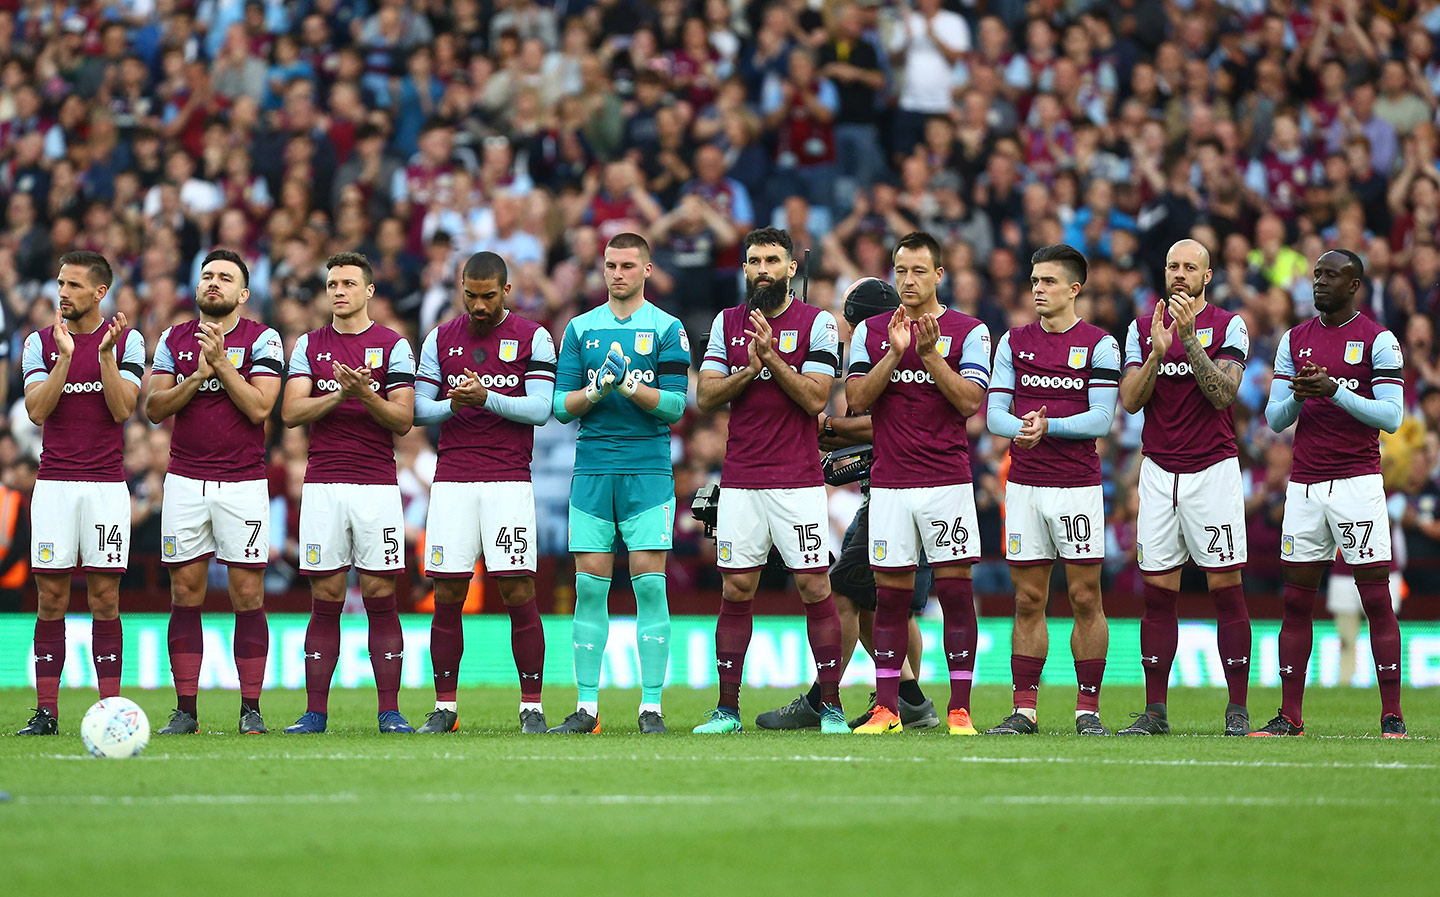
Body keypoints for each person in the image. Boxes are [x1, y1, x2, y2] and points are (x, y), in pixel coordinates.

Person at [755, 277, 940, 732]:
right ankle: (909, 703)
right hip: (900, 492)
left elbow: (892, 424)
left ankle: (826, 698)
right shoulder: (892, 353)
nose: (845, 325)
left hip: (901, 495)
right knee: (887, 602)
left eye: (849, 315)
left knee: (839, 591)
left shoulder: (886, 355)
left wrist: (832, 428)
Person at [693, 226, 847, 734]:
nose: (763, 269)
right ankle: (727, 710)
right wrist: (750, 368)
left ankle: (830, 706)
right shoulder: (726, 322)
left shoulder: (817, 323)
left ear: (791, 268)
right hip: (740, 478)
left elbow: (816, 399)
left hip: (798, 480)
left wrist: (772, 359)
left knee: (812, 584)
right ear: (744, 268)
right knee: (736, 588)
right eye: (755, 260)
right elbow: (707, 397)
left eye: (773, 260)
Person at [843, 231, 988, 735]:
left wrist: (929, 356)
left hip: (946, 482)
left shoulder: (970, 331)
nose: (908, 280)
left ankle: (960, 709)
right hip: (889, 484)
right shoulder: (871, 331)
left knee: (955, 594)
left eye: (918, 271)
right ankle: (887, 709)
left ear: (938, 275)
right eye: (900, 271)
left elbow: (970, 402)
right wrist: (893, 354)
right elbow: (857, 398)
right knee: (890, 597)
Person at [1260, 249, 1407, 738]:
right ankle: (1290, 716)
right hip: (1303, 485)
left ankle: (1392, 716)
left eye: (1330, 276)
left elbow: (1392, 417)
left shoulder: (1378, 340)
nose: (1318, 282)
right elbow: (1274, 418)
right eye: (1316, 274)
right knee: (1296, 603)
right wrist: (1299, 395)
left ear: (1355, 285)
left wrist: (1335, 391)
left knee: (1376, 601)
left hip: (1357, 484)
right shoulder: (1294, 339)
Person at [547, 233, 689, 735]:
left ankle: (651, 707)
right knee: (589, 588)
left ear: (647, 270)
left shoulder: (668, 328)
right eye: (610, 265)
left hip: (648, 470)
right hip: (591, 471)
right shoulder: (580, 329)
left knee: (650, 585)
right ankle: (588, 708)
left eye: (628, 265)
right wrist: (595, 389)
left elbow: (676, 406)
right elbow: (560, 409)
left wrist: (629, 385)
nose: (617, 273)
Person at [413, 251, 556, 734]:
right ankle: (446, 707)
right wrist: (455, 401)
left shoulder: (531, 336)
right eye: (470, 296)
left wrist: (485, 397)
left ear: (506, 292)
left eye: (488, 297)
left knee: (518, 589)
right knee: (447, 592)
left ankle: (532, 706)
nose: (478, 306)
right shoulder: (440, 338)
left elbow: (540, 409)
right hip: (452, 479)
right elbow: (417, 408)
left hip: (507, 480)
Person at [1117, 238, 1252, 737]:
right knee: (1157, 593)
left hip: (1213, 471)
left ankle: (1236, 709)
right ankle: (1155, 711)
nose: (1179, 273)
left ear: (1207, 276)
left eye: (1190, 267)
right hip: (1158, 473)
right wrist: (1156, 353)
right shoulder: (1139, 327)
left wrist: (1190, 340)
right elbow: (1130, 401)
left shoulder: (1229, 324)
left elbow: (1224, 395)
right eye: (1173, 264)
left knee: (1226, 588)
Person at [145, 249, 284, 735]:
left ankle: (250, 709)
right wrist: (199, 376)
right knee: (185, 592)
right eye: (207, 275)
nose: (214, 283)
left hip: (243, 482)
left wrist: (221, 366)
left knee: (247, 593)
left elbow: (260, 408)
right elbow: (155, 407)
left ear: (242, 293)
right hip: (184, 480)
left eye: (225, 278)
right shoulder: (173, 338)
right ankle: (186, 710)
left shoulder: (263, 339)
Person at [984, 244, 1119, 736]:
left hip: (1076, 488)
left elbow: (1103, 417)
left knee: (1085, 597)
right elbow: (994, 413)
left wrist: (1049, 427)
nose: (1037, 289)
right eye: (1034, 280)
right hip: (1024, 486)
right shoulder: (1013, 341)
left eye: (1048, 281)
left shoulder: (1100, 343)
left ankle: (1088, 711)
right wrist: (1022, 426)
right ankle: (1024, 711)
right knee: (1027, 600)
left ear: (1074, 289)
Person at [281, 252, 417, 735]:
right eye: (332, 283)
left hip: (376, 484)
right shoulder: (309, 346)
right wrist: (341, 395)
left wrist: (365, 395)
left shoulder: (393, 346)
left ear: (369, 290)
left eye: (348, 283)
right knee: (327, 594)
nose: (338, 291)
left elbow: (403, 419)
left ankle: (390, 711)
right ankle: (315, 712)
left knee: (381, 591)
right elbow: (291, 413)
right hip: (322, 483)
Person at [17, 251, 144, 736]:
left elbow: (122, 409)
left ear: (98, 293)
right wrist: (66, 359)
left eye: (72, 285)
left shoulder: (127, 341)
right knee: (50, 597)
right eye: (60, 283)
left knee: (105, 598)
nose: (62, 292)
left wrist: (105, 356)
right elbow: (36, 410)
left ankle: (110, 708)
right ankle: (46, 710)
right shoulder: (39, 343)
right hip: (53, 486)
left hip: (106, 488)